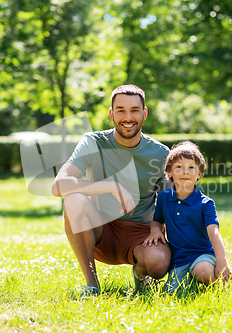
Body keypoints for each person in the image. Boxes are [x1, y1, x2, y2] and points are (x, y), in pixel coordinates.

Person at [51, 85, 171, 296]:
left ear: (144, 113)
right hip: (100, 231)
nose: (128, 117)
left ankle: (141, 274)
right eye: (121, 110)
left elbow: (173, 206)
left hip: (141, 234)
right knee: (73, 200)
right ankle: (92, 285)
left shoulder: (161, 154)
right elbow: (58, 185)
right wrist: (108, 185)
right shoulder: (93, 142)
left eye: (134, 110)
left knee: (159, 263)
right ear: (111, 114)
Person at [143, 141, 232, 294]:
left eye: (191, 167)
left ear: (199, 174)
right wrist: (155, 231)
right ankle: (189, 281)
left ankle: (212, 284)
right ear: (169, 172)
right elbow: (157, 221)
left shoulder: (206, 203)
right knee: (172, 294)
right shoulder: (164, 198)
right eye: (179, 167)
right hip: (178, 260)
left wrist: (221, 263)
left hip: (202, 255)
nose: (185, 172)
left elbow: (214, 233)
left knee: (203, 271)